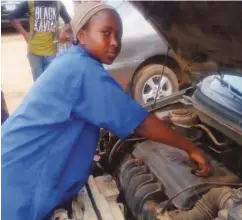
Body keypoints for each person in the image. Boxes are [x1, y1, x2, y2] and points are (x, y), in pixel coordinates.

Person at [2, 2, 212, 220]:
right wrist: (190, 148)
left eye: (118, 36)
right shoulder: (83, 71)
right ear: (82, 35)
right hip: (18, 179)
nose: (114, 42)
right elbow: (140, 122)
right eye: (106, 33)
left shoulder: (72, 60)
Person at [10, 0, 71, 81]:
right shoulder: (30, 2)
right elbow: (13, 17)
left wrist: (63, 31)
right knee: (38, 82)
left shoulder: (58, 3)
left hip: (51, 52)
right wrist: (25, 34)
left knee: (50, 81)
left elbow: (69, 22)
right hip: (34, 52)